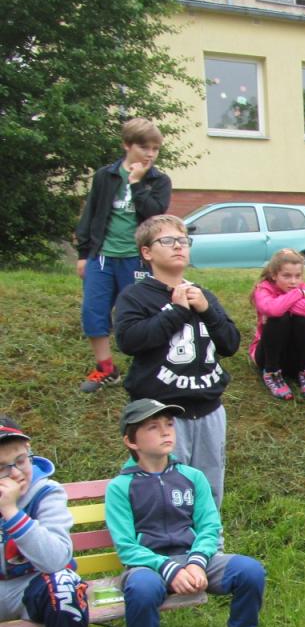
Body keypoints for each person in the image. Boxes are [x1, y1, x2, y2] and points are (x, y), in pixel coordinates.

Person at [106, 399, 272, 627]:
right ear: (131, 441)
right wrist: (170, 569)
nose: (166, 432)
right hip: (149, 567)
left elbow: (209, 526)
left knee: (250, 571)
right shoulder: (120, 487)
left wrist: (196, 563)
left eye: (169, 424)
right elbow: (127, 546)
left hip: (196, 560)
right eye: (153, 427)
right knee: (141, 589)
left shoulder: (192, 477)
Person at [114, 215, 240, 508]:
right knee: (166, 489)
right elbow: (129, 340)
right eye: (167, 241)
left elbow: (230, 343)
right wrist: (176, 311)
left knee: (208, 489)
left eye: (183, 240)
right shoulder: (135, 296)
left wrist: (207, 310)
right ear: (147, 252)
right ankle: (165, 537)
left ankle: (209, 537)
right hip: (162, 413)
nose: (178, 246)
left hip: (208, 409)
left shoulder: (203, 295)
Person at [0, 418, 96, 627]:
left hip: (33, 587)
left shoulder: (46, 492)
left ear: (30, 452)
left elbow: (55, 559)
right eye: (2, 468)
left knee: (65, 582)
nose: (16, 474)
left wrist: (11, 512)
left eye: (20, 461)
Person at [75, 117, 171, 394]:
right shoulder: (105, 176)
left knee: (141, 315)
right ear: (127, 145)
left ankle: (150, 369)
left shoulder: (158, 180)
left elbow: (155, 215)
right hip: (102, 257)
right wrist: (83, 254)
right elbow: (91, 214)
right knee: (93, 312)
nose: (150, 154)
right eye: (144, 148)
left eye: (155, 149)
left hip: (136, 259)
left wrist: (138, 184)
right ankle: (106, 369)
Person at [248, 249, 305, 402]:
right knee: (278, 319)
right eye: (286, 276)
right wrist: (298, 295)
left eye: (298, 276)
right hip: (268, 355)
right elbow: (272, 310)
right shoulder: (263, 289)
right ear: (274, 275)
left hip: (294, 355)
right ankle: (272, 373)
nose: (293, 282)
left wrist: (281, 304)